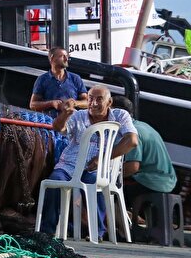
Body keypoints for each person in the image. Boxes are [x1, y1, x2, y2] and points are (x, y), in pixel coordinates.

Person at [38, 85, 139, 237]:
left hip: (99, 169)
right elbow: (59, 128)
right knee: (55, 182)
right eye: (91, 99)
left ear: (109, 102)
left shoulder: (120, 115)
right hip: (69, 165)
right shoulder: (79, 115)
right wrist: (65, 114)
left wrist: (103, 158)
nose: (94, 103)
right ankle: (47, 233)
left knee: (94, 182)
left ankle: (97, 232)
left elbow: (132, 141)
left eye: (99, 99)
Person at [111, 96, 178, 199]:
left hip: (152, 182)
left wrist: (109, 175)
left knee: (108, 193)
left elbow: (132, 167)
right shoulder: (143, 125)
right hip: (167, 181)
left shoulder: (131, 133)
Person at [29, 46, 89, 113]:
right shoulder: (42, 79)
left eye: (67, 56)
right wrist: (51, 103)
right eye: (62, 56)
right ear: (52, 58)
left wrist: (74, 103)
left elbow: (87, 102)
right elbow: (32, 105)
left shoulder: (75, 78)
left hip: (72, 118)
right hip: (50, 119)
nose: (66, 59)